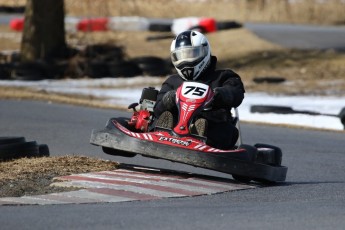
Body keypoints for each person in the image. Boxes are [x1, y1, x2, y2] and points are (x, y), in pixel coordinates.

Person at [153, 30, 245, 150]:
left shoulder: (223, 76)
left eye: (191, 54)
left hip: (212, 127)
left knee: (225, 131)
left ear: (204, 51)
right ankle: (166, 131)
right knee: (163, 117)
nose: (185, 61)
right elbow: (157, 110)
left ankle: (198, 132)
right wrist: (167, 100)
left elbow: (236, 93)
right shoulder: (173, 81)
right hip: (174, 125)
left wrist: (219, 95)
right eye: (181, 56)